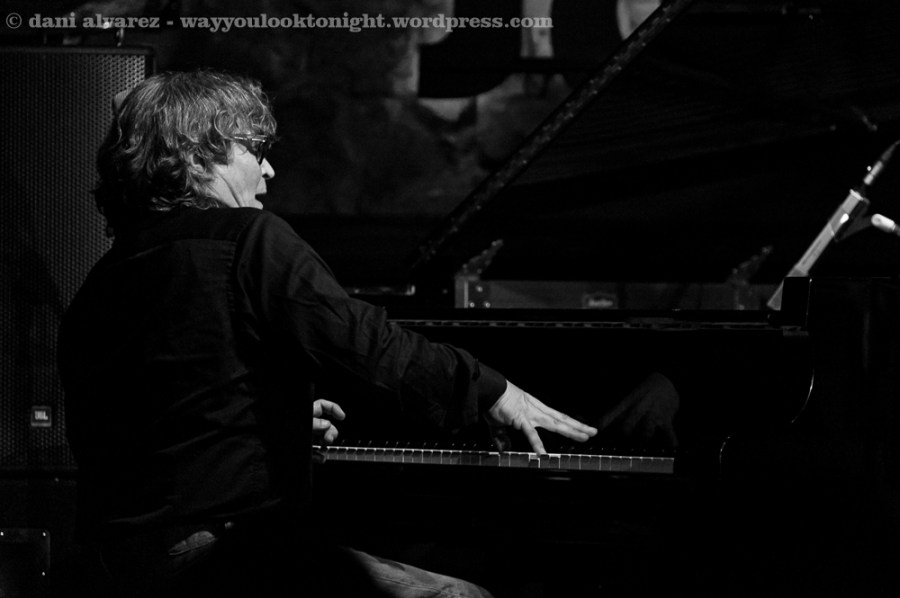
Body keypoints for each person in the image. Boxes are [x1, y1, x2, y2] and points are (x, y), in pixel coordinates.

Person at [57, 69, 597, 598]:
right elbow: (368, 346)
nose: (268, 170)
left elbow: (165, 411)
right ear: (198, 158)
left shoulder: (103, 278)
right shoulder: (249, 239)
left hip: (115, 562)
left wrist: (272, 418)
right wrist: (491, 391)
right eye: (254, 151)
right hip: (217, 560)